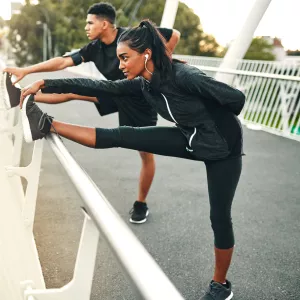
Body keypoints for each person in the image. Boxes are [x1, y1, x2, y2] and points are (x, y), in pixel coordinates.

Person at [18, 19, 245, 299]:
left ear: (146, 54)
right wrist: (45, 83)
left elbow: (236, 98)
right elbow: (99, 87)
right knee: (123, 135)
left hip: (223, 150)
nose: (121, 65)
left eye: (125, 58)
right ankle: (47, 125)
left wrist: (211, 122)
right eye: (119, 59)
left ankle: (220, 286)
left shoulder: (184, 76)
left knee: (219, 217)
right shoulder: (144, 85)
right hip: (188, 138)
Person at [4, 2, 181, 224]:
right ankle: (21, 96)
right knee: (74, 92)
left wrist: (161, 63)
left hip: (139, 99)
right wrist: (27, 70)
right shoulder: (94, 47)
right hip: (115, 91)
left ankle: (141, 203)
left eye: (90, 23)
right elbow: (63, 61)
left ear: (104, 23)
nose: (86, 27)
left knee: (145, 153)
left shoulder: (132, 36)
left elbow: (173, 34)